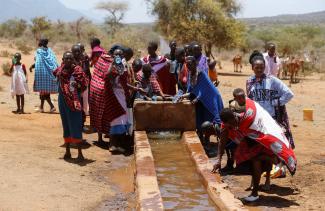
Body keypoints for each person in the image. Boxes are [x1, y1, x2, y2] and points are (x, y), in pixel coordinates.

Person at [212, 100, 297, 202]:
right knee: (243, 163)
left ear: (234, 116)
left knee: (255, 161)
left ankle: (255, 192)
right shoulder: (226, 125)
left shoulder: (248, 118)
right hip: (249, 142)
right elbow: (222, 142)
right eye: (229, 125)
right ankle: (256, 188)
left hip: (260, 140)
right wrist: (218, 160)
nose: (232, 126)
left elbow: (263, 129)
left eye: (232, 122)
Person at [247, 51, 295, 149]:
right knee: (260, 144)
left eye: (261, 67)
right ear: (252, 68)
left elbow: (289, 94)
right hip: (257, 118)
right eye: (257, 67)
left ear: (264, 67)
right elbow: (250, 99)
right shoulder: (249, 81)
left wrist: (277, 102)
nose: (259, 70)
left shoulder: (272, 80)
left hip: (271, 117)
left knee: (274, 143)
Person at [53, 52, 89, 162]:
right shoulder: (60, 70)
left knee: (76, 125)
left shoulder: (77, 71)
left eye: (70, 58)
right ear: (63, 59)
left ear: (73, 59)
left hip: (74, 102)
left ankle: (80, 154)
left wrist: (75, 86)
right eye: (66, 58)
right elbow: (55, 76)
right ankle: (67, 151)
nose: (68, 60)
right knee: (66, 125)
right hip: (62, 101)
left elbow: (84, 85)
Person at [180, 56, 224, 138]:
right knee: (199, 117)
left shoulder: (201, 73)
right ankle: (201, 137)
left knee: (212, 119)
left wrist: (196, 98)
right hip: (200, 99)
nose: (189, 66)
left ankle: (218, 140)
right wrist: (183, 96)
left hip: (210, 97)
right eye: (187, 65)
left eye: (190, 64)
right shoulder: (190, 73)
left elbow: (203, 89)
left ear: (195, 63)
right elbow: (191, 89)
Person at [105, 48, 131, 153]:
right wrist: (113, 65)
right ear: (113, 56)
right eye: (116, 55)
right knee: (115, 120)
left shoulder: (124, 67)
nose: (118, 56)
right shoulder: (111, 67)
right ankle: (112, 145)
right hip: (114, 96)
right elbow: (107, 77)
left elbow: (125, 82)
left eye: (120, 54)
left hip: (122, 95)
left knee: (123, 119)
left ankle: (119, 145)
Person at [33, 38, 58, 113]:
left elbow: (37, 61)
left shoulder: (39, 51)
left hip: (42, 73)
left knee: (44, 92)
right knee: (43, 92)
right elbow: (53, 61)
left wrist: (32, 66)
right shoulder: (50, 51)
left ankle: (52, 106)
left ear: (41, 42)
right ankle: (41, 107)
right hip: (50, 73)